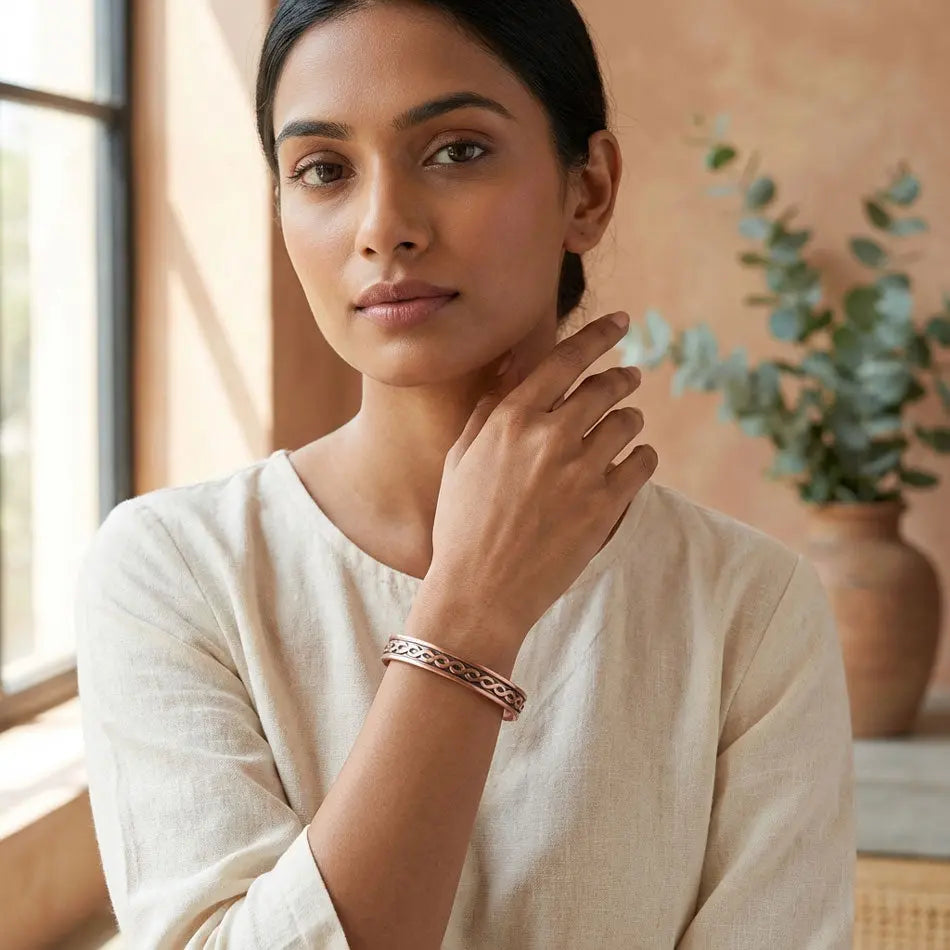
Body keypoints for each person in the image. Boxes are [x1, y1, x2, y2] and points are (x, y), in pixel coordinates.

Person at [75, 1, 855, 947]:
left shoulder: (748, 609)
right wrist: (470, 616)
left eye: (456, 151)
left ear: (589, 190)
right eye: (322, 170)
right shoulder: (172, 571)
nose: (384, 227)